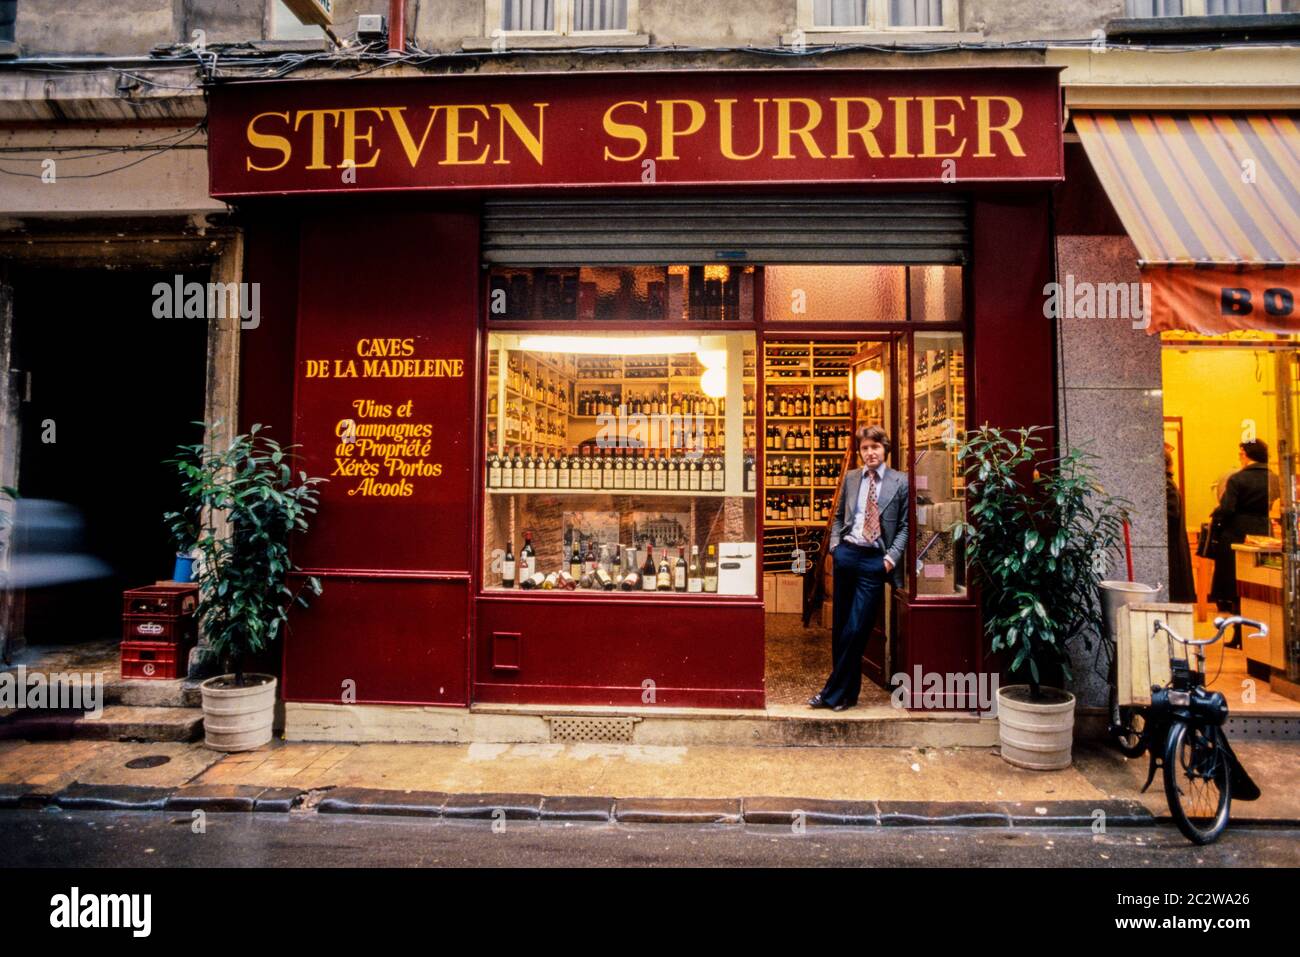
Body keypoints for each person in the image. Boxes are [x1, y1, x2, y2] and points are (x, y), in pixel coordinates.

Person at [809, 425, 909, 712]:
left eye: (874, 447)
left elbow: (904, 527)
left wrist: (890, 559)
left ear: (884, 449)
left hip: (874, 561)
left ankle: (830, 693)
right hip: (848, 556)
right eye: (865, 448)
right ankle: (847, 695)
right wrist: (836, 548)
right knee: (841, 628)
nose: (870, 453)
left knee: (856, 628)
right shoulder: (852, 478)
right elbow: (840, 515)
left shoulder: (900, 481)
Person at [1208, 439, 1279, 644]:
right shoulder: (1273, 479)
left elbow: (1227, 508)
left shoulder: (1238, 479)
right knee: (1259, 585)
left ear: (1245, 454)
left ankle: (1239, 633)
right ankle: (1258, 633)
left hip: (1237, 533)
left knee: (1237, 586)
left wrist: (1217, 515)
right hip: (1265, 532)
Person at [1164, 447, 1196, 604]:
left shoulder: (1167, 486)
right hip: (1174, 548)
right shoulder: (1169, 484)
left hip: (1172, 549)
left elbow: (1171, 515)